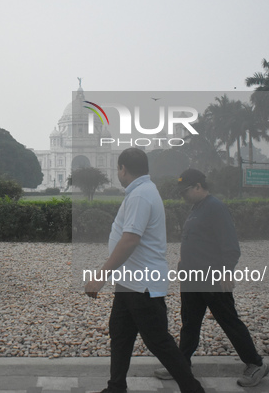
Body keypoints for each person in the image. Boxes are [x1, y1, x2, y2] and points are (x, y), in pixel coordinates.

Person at [85, 148, 204, 393]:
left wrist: (101, 275)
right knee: (120, 335)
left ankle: (193, 389)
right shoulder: (142, 191)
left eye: (118, 169)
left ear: (123, 169)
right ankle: (116, 386)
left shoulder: (140, 195)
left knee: (159, 342)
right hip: (130, 283)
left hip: (143, 285)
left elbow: (130, 239)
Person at [154, 168, 268, 387]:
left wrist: (227, 270)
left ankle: (256, 364)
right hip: (192, 278)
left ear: (198, 186)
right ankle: (181, 365)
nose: (182, 195)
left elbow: (231, 245)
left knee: (229, 322)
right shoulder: (197, 208)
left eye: (185, 190)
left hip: (212, 278)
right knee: (189, 324)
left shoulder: (216, 208)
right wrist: (182, 264)